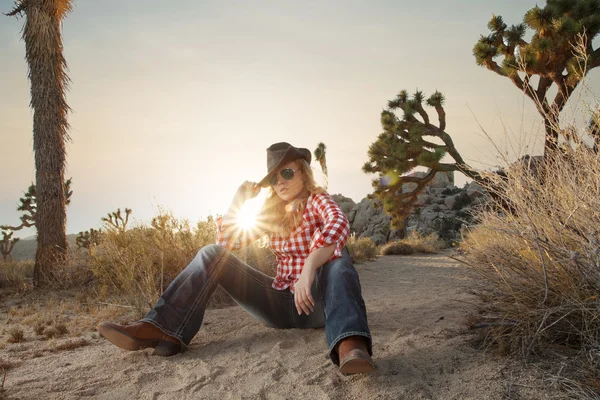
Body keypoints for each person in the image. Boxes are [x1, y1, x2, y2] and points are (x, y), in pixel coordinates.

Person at [97, 142, 374, 374]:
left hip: (318, 302)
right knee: (211, 254)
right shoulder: (273, 214)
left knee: (339, 261)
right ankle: (164, 330)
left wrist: (310, 267)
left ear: (303, 172)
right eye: (274, 178)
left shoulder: (317, 200)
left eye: (287, 173)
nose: (280, 182)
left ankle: (349, 343)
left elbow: (337, 224)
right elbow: (225, 245)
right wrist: (238, 202)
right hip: (279, 303)